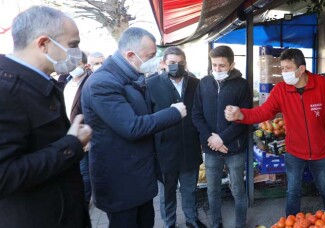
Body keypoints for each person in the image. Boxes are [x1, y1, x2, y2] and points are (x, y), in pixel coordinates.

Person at [81, 27, 187, 227]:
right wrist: (173, 113)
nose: (155, 61)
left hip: (138, 178)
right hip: (120, 182)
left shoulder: (131, 77)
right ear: (131, 55)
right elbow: (132, 126)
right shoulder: (103, 82)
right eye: (150, 56)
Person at [224, 48, 325, 216]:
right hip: (294, 151)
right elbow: (264, 112)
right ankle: (290, 222)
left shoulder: (323, 85)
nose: (283, 73)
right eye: (281, 68)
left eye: (287, 68)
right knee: (293, 191)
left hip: (322, 150)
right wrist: (241, 115)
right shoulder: (281, 90)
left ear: (301, 69)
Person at [0, 6, 92, 228]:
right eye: (73, 45)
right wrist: (71, 145)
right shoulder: (5, 91)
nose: (78, 53)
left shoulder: (40, 82)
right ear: (43, 44)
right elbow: (4, 176)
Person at [192, 45, 252, 228]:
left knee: (237, 189)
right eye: (214, 65)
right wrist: (212, 139)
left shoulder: (242, 85)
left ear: (232, 64)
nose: (217, 69)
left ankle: (240, 224)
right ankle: (216, 223)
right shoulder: (204, 83)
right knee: (212, 190)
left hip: (235, 148)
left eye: (222, 66)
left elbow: (244, 117)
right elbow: (196, 114)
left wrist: (222, 139)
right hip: (211, 148)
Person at [147, 47, 206, 228]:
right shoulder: (151, 84)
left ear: (185, 63)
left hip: (190, 146)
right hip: (165, 149)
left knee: (190, 189)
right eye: (172, 63)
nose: (176, 67)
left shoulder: (197, 84)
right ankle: (169, 223)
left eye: (180, 63)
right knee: (167, 192)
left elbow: (202, 112)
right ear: (163, 64)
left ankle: (192, 219)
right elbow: (148, 118)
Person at [62, 51, 93, 205]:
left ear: (84, 64)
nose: (72, 67)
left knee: (85, 171)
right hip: (70, 135)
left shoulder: (90, 82)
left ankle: (85, 201)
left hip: (86, 136)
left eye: (75, 63)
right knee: (81, 170)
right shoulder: (67, 85)